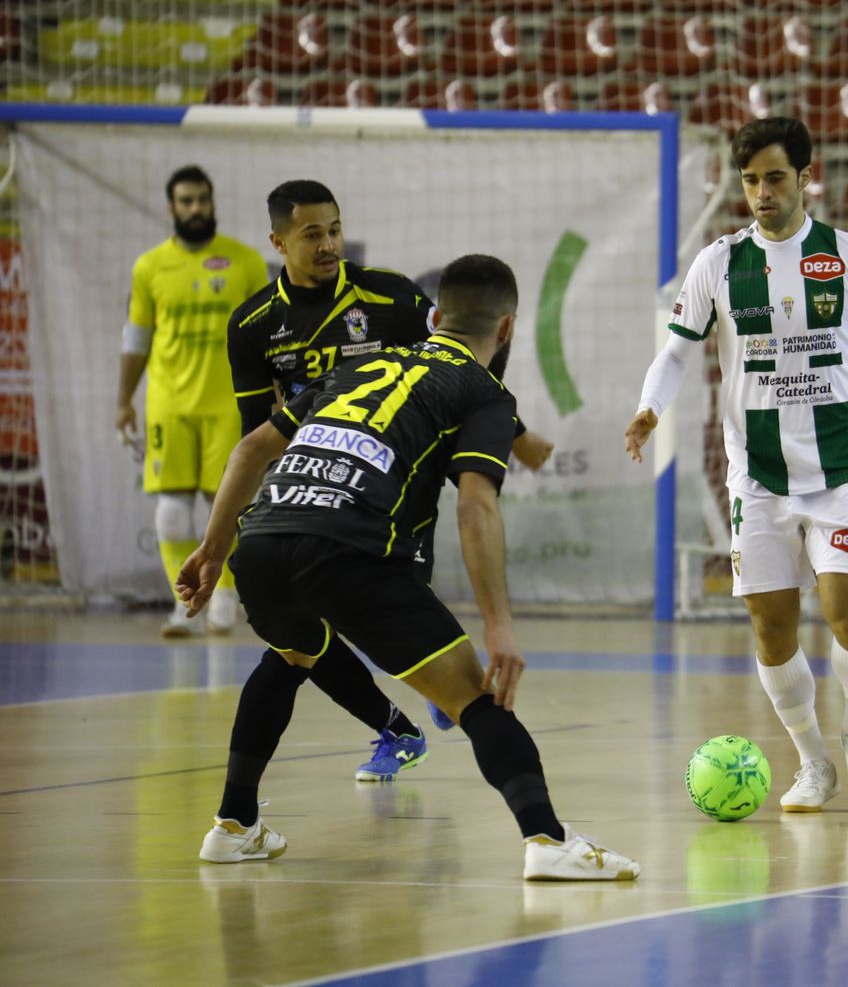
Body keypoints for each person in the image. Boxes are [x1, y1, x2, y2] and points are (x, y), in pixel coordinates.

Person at [180, 253, 638, 881]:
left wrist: (212, 550)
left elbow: (253, 447)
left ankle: (233, 826)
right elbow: (475, 506)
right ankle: (547, 840)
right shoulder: (485, 392)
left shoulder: (363, 363)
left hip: (261, 540)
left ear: (434, 316)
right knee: (478, 699)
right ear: (506, 330)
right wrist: (498, 625)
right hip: (346, 551)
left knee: (291, 655)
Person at [625, 117, 848, 812]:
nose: (761, 192)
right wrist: (652, 406)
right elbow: (678, 349)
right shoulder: (718, 262)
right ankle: (813, 762)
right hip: (758, 474)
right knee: (771, 628)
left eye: (774, 177)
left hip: (842, 466)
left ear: (805, 177)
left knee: (846, 609)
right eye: (749, 181)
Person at [225, 180, 554, 783]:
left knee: (363, 611)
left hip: (395, 482)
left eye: (334, 230)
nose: (329, 245)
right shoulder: (252, 324)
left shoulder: (390, 296)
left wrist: (518, 434)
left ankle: (431, 672)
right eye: (312, 235)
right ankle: (399, 724)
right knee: (299, 636)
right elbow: (257, 436)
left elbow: (459, 365)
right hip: (309, 480)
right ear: (278, 242)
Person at [115, 165, 268, 637]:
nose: (196, 208)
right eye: (186, 201)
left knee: (226, 504)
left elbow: (266, 338)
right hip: (169, 405)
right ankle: (183, 602)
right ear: (171, 208)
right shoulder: (150, 267)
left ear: (213, 201)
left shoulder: (245, 262)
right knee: (172, 511)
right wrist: (123, 399)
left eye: (203, 199)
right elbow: (137, 338)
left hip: (228, 403)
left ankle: (222, 598)